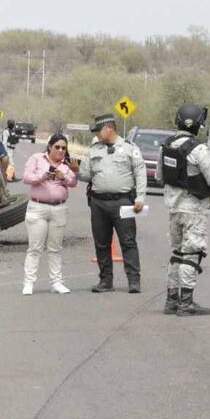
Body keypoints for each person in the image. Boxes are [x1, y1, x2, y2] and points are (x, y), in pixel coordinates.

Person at [160, 103, 210, 315]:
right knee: (191, 255)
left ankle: (171, 300)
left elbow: (160, 176)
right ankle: (185, 303)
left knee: (176, 254)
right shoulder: (198, 150)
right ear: (197, 125)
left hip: (174, 209)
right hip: (194, 210)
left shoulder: (166, 146)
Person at [77, 113, 147, 293]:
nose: (97, 134)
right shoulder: (94, 149)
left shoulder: (130, 148)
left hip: (123, 202)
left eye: (99, 130)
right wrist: (74, 170)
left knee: (128, 241)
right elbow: (85, 174)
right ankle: (105, 280)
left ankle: (134, 280)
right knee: (101, 242)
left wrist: (140, 198)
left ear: (109, 128)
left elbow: (140, 173)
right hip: (98, 202)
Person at [21, 133, 78, 295]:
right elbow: (26, 177)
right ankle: (29, 283)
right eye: (57, 147)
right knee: (35, 248)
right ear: (49, 147)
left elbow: (73, 182)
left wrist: (64, 176)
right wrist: (42, 176)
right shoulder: (37, 158)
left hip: (58, 209)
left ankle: (56, 282)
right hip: (38, 208)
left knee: (55, 248)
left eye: (63, 148)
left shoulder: (66, 165)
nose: (60, 150)